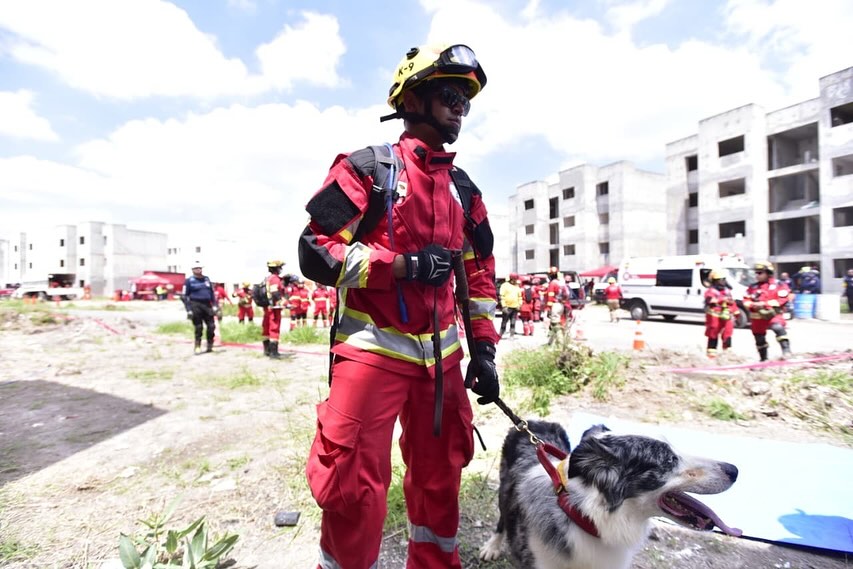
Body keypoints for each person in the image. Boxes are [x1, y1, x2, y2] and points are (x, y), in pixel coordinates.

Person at [298, 43, 499, 569]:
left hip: (445, 363)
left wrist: (484, 351)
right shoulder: (367, 168)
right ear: (412, 97)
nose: (460, 108)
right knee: (353, 486)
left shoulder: (464, 190)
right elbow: (315, 250)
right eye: (450, 94)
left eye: (466, 102)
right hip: (371, 357)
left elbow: (479, 273)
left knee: (441, 478)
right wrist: (401, 267)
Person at [743, 261, 791, 361]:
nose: (757, 275)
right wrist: (752, 304)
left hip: (773, 314)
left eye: (760, 273)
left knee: (777, 328)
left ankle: (786, 352)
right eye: (756, 273)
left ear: (768, 273)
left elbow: (783, 299)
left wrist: (765, 304)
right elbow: (746, 300)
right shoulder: (753, 287)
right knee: (759, 338)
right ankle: (763, 359)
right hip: (757, 317)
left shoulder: (779, 285)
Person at [181, 261, 220, 355]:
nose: (199, 270)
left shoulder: (206, 279)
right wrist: (189, 309)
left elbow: (211, 293)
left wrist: (215, 305)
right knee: (199, 327)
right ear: (193, 270)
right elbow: (184, 296)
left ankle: (210, 346)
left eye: (200, 268)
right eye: (196, 268)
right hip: (195, 305)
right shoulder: (189, 281)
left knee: (211, 326)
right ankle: (197, 346)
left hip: (207, 305)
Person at [703, 270, 737, 358]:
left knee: (727, 333)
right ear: (714, 281)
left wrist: (736, 312)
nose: (722, 281)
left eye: (723, 279)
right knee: (713, 334)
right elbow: (709, 301)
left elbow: (732, 302)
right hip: (714, 316)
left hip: (726, 316)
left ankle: (727, 354)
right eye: (719, 280)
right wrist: (722, 300)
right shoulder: (711, 291)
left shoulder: (727, 291)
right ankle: (711, 356)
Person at [262, 260, 286, 359]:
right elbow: (275, 292)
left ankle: (266, 350)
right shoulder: (275, 279)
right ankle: (273, 352)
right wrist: (282, 301)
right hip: (274, 308)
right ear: (277, 268)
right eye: (280, 267)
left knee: (266, 328)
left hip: (268, 308)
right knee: (274, 328)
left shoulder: (267, 278)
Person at [499, 272, 522, 338]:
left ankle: (512, 335)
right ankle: (500, 335)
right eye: (515, 279)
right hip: (507, 307)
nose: (516, 281)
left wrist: (519, 304)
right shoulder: (504, 285)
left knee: (513, 322)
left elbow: (520, 297)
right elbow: (502, 296)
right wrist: (504, 306)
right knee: (504, 322)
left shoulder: (517, 286)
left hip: (515, 307)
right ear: (512, 279)